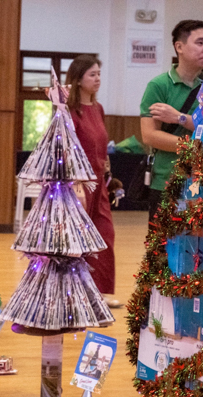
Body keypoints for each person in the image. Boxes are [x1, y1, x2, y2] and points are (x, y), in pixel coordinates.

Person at [140, 20, 203, 222]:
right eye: (200, 43)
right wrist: (195, 145)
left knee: (201, 251)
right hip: (165, 181)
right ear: (179, 47)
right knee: (162, 250)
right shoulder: (158, 85)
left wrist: (179, 118)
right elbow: (150, 135)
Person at [66, 54, 121, 308]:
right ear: (78, 80)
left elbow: (101, 145)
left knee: (104, 235)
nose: (98, 79)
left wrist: (109, 176)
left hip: (98, 183)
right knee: (78, 240)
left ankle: (98, 292)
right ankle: (75, 291)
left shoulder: (98, 109)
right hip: (78, 184)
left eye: (99, 74)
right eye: (92, 74)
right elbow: (65, 148)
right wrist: (75, 183)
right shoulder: (69, 111)